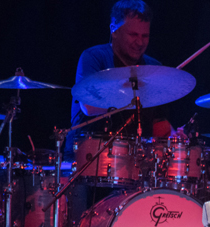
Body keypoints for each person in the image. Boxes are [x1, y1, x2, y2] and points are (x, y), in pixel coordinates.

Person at [67, 0, 172, 156]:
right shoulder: (94, 58)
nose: (140, 42)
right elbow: (89, 106)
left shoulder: (153, 68)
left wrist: (174, 137)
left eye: (145, 36)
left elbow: (159, 124)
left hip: (135, 158)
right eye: (133, 35)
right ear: (114, 31)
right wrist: (134, 93)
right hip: (89, 156)